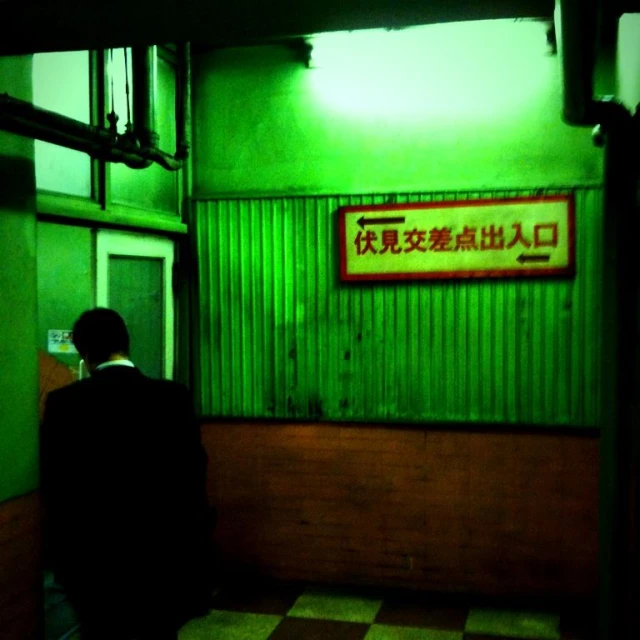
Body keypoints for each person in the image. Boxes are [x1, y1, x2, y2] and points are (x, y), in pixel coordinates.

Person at [40, 308, 214, 639]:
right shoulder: (173, 397)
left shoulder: (65, 403)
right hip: (162, 555)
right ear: (126, 343)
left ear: (85, 353)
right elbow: (194, 475)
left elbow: (56, 485)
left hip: (94, 559)